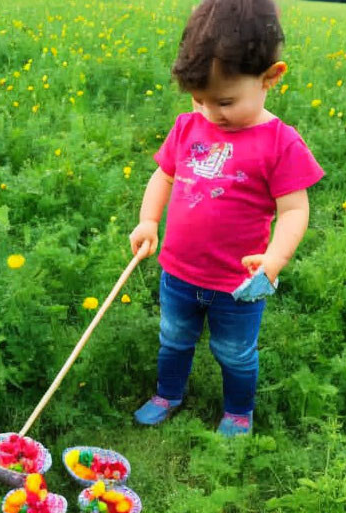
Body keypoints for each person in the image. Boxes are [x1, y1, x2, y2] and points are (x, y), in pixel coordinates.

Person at [129, 0, 324, 436]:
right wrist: (148, 222)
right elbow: (163, 176)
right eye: (200, 100)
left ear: (271, 78)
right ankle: (168, 393)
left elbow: (294, 210)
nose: (211, 113)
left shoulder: (281, 143)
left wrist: (274, 260)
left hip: (238, 285)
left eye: (225, 101)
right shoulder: (187, 127)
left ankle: (238, 410)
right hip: (178, 272)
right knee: (174, 339)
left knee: (235, 352)